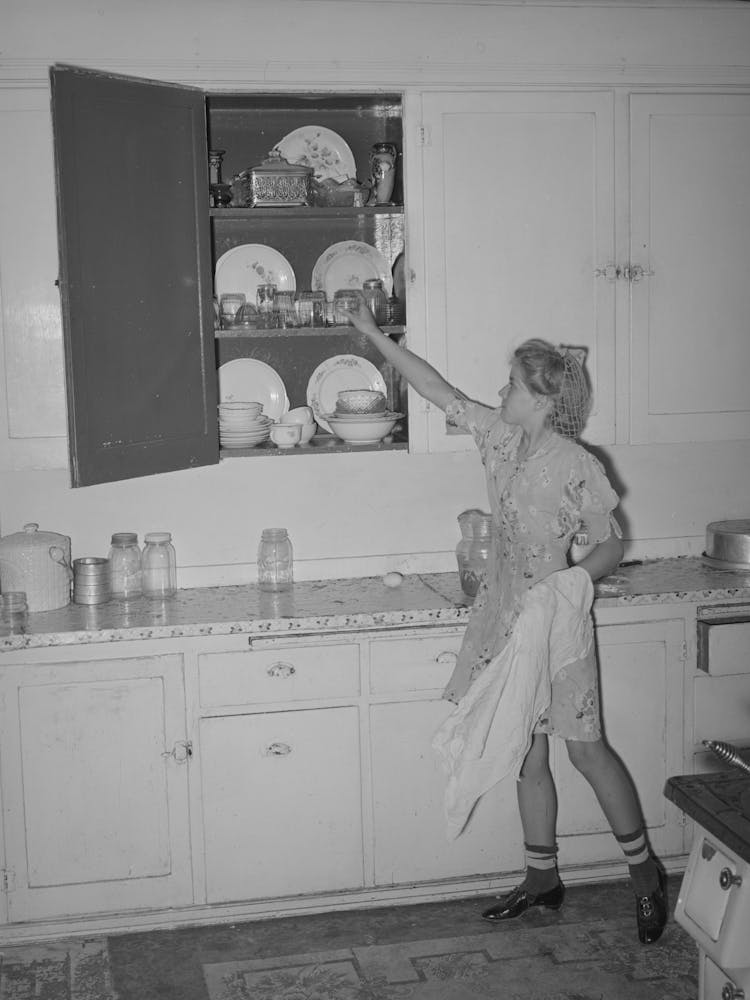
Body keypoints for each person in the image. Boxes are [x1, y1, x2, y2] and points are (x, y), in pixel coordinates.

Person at [343, 298, 667, 946]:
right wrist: (374, 335)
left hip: (554, 626)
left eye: (514, 386)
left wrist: (572, 584)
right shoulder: (498, 435)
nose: (501, 391)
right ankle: (540, 877)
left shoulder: (578, 467)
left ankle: (645, 873)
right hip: (500, 618)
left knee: (585, 749)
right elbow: (439, 389)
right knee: (523, 749)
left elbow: (611, 544)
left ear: (543, 402)